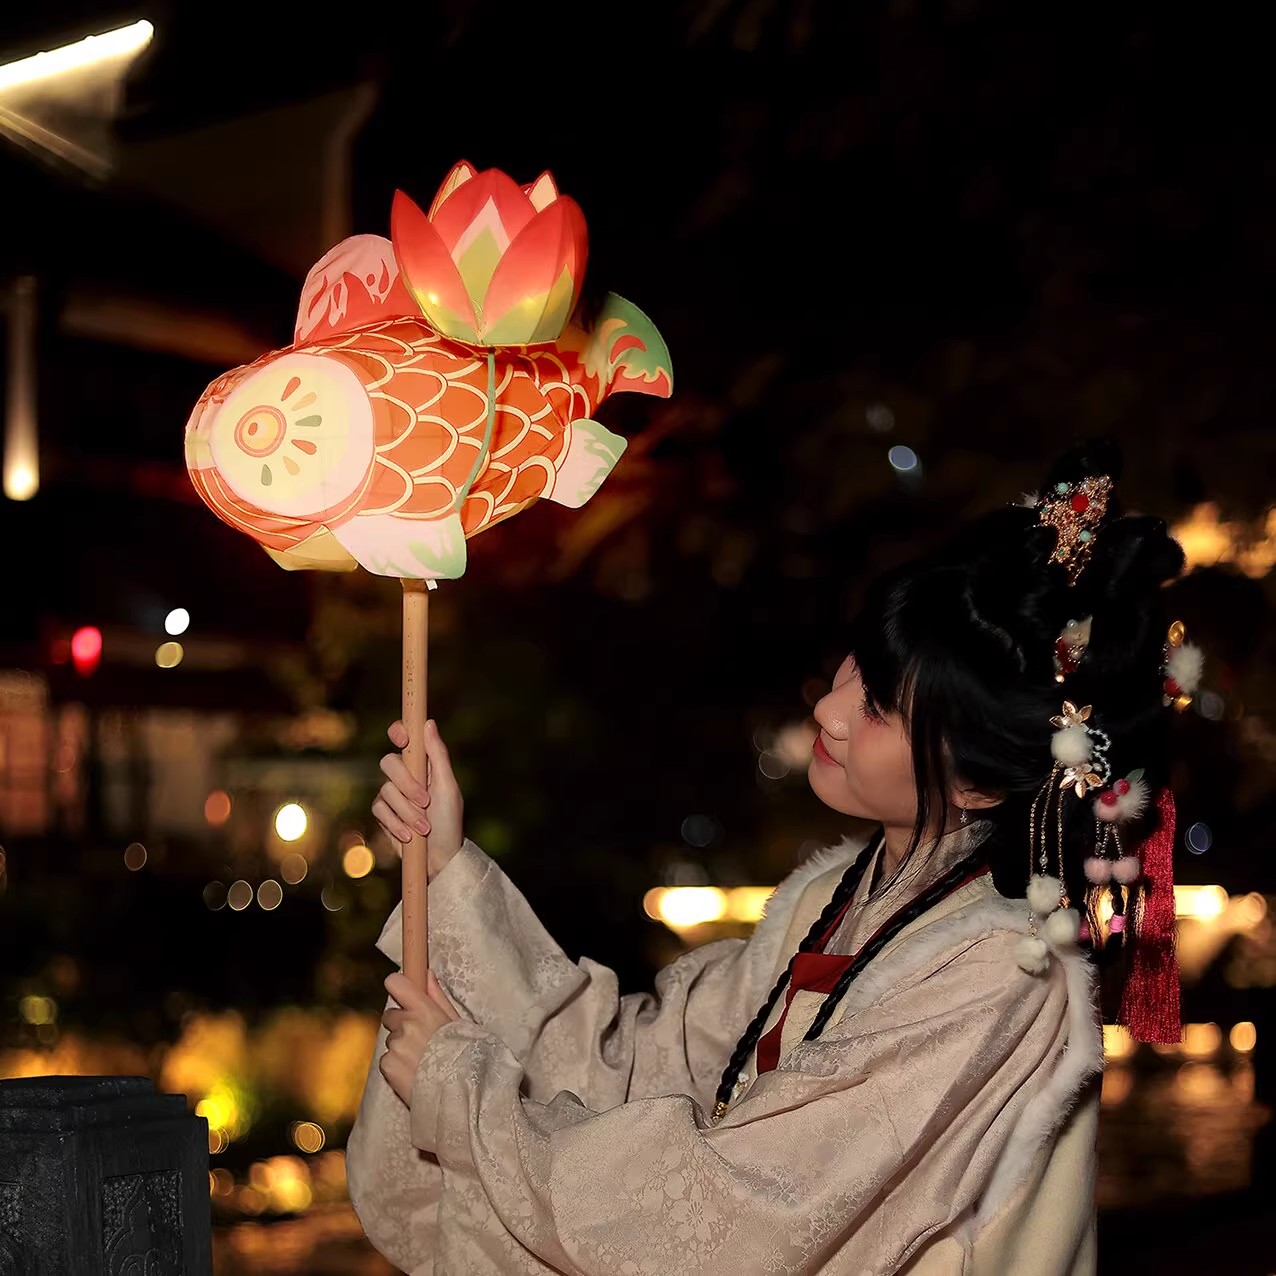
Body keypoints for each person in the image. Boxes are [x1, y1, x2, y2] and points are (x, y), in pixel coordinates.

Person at [345, 440, 1197, 1275]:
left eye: (879, 709)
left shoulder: (1001, 975)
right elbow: (652, 1065)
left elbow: (736, 1213)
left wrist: (465, 1096)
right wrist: (447, 868)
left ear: (977, 785)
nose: (829, 709)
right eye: (854, 668)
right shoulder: (832, 896)